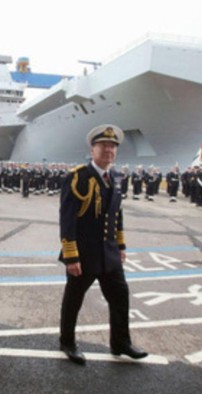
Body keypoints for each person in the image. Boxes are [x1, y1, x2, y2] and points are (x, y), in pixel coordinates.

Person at [58, 124, 148, 365]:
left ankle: (121, 343)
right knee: (74, 300)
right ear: (93, 148)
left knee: (120, 297)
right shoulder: (78, 177)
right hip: (83, 254)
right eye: (104, 145)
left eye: (113, 146)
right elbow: (67, 220)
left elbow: (116, 214)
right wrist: (71, 256)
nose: (109, 150)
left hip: (109, 254)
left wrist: (121, 245)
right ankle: (67, 341)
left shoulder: (116, 177)